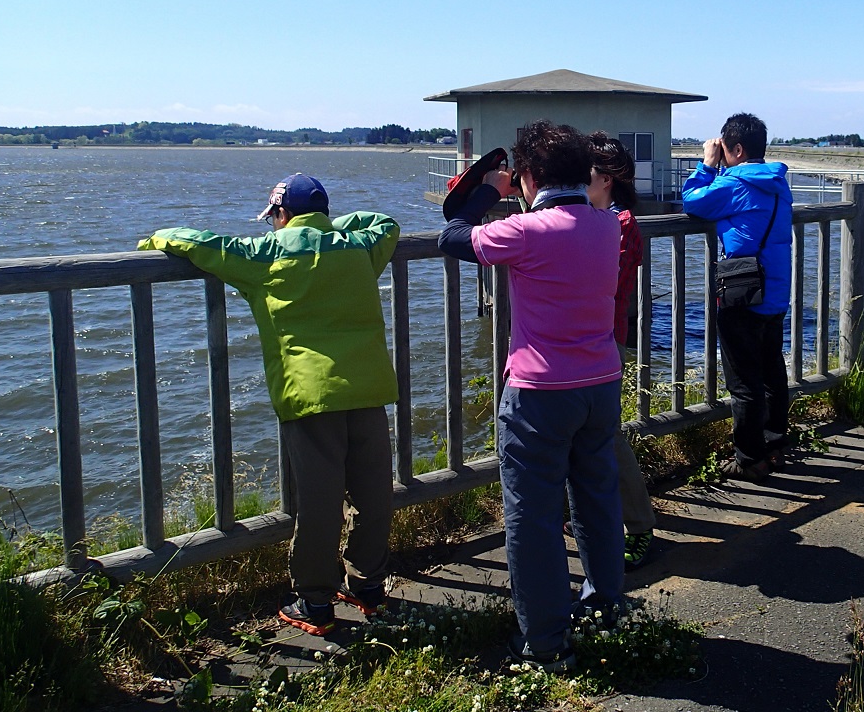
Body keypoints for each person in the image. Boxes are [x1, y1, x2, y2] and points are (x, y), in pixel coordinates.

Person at [139, 174, 400, 636]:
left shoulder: (267, 254)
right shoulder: (356, 247)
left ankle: (315, 602)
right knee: (373, 492)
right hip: (370, 387)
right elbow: (385, 223)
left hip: (310, 395)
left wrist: (159, 237)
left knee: (319, 503)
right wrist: (330, 227)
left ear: (281, 215)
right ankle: (369, 586)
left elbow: (204, 244)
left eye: (274, 218)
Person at [438, 121, 624, 673]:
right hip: (601, 384)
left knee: (533, 517)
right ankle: (604, 606)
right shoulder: (609, 224)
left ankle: (545, 641)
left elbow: (454, 233)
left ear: (530, 176)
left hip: (539, 393)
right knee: (596, 498)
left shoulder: (524, 231)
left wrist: (490, 189)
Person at [681, 113, 793, 482]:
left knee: (744, 381)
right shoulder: (778, 181)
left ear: (737, 149)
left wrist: (706, 165)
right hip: (774, 288)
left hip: (744, 292)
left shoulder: (737, 183)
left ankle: (749, 459)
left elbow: (694, 202)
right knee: (772, 372)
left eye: (725, 149)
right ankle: (775, 446)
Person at [587, 131, 655, 570]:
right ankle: (585, 516)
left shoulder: (622, 222)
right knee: (583, 432)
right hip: (580, 337)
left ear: (607, 178)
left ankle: (640, 525)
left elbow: (606, 278)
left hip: (605, 337)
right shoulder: (589, 217)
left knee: (606, 432)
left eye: (585, 173)